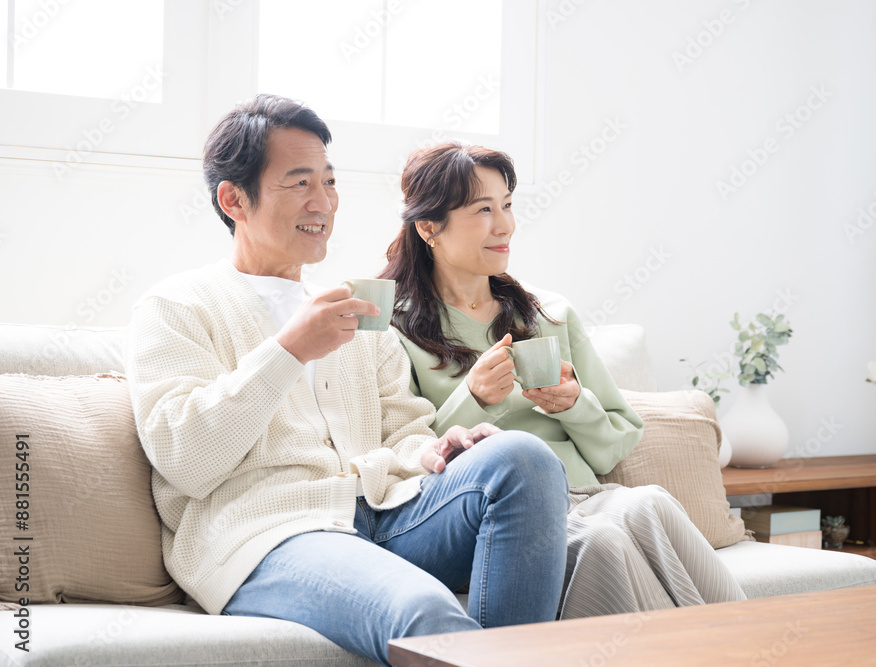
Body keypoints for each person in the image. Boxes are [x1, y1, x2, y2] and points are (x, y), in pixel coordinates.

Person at [123, 96, 570, 666]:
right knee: (424, 614)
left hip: (384, 509)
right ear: (234, 199)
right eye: (299, 183)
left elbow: (404, 432)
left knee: (524, 458)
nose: (324, 202)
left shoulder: (358, 313)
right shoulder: (176, 307)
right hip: (268, 534)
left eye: (330, 182)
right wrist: (289, 349)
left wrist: (435, 451)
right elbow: (185, 458)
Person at [379, 142, 747, 619]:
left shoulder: (548, 314)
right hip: (499, 517)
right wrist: (473, 398)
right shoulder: (393, 329)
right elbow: (404, 453)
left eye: (507, 205)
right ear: (429, 226)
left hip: (587, 495)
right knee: (603, 539)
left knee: (650, 502)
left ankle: (740, 639)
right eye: (483, 210)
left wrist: (574, 404)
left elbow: (614, 445)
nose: (505, 225)